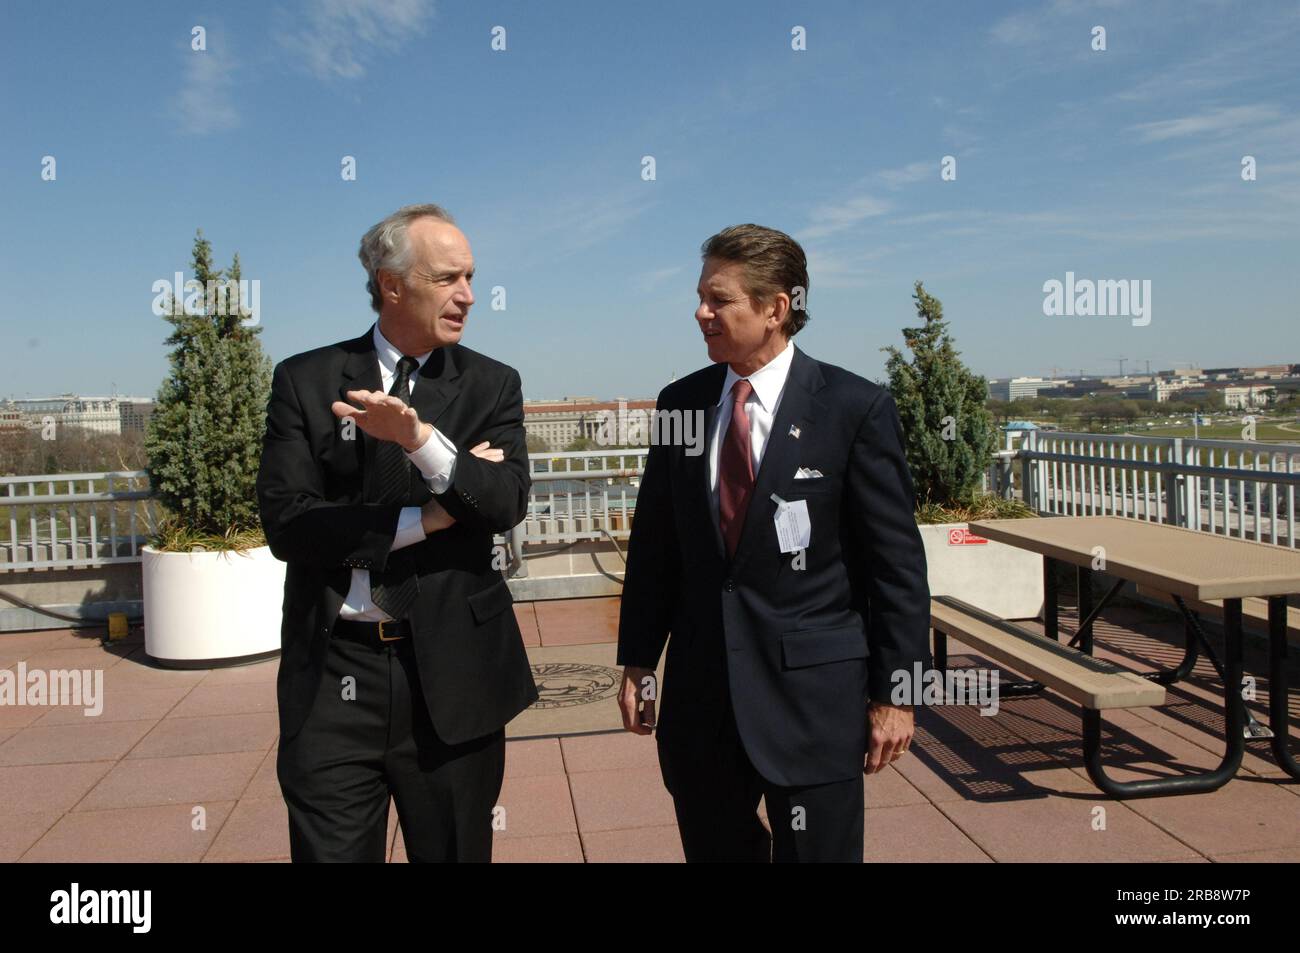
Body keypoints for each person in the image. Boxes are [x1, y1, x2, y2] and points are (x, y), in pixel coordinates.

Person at [616, 223, 932, 862]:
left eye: (719, 299)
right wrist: (639, 662)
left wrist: (897, 693)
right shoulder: (682, 405)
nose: (700, 313)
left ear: (776, 308)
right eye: (701, 297)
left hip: (813, 703)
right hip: (702, 702)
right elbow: (656, 547)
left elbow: (894, 566)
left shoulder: (853, 406)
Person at [256, 203, 537, 862]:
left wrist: (420, 440)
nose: (467, 295)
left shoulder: (491, 385)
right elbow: (288, 523)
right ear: (391, 284)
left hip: (452, 677)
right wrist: (428, 518)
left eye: (470, 277)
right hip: (333, 677)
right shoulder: (306, 380)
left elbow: (503, 501)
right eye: (447, 278)